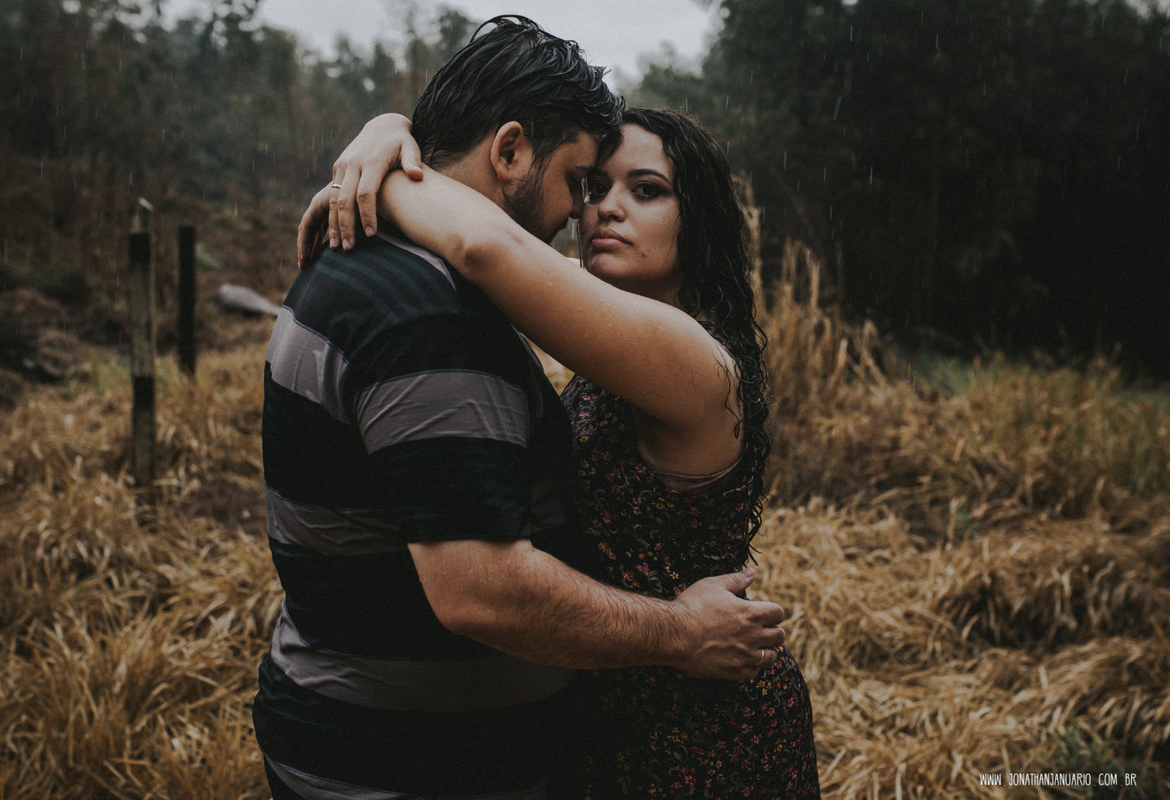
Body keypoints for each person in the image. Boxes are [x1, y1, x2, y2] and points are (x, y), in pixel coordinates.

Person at [258, 16, 788, 800]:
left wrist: (392, 161)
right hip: (605, 703)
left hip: (689, 717)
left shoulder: (693, 362)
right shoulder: (567, 328)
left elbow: (487, 247)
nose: (594, 210)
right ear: (510, 152)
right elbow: (491, 247)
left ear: (698, 221)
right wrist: (392, 134)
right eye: (590, 184)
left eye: (645, 191)